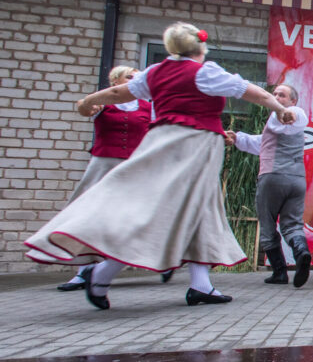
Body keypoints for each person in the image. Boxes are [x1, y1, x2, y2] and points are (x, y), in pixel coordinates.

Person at [26, 22, 296, 309]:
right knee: (165, 210)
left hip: (163, 142)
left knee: (199, 208)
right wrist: (280, 109)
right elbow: (249, 91)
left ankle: (200, 285)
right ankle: (102, 274)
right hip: (192, 145)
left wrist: (88, 100)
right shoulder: (204, 72)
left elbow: (120, 93)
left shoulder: (155, 72)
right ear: (200, 48)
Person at [56, 65, 154, 292]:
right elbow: (84, 108)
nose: (134, 80)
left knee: (127, 218)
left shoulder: (148, 108)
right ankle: (83, 271)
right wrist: (87, 105)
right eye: (129, 76)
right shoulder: (104, 103)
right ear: (115, 81)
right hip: (104, 165)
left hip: (133, 169)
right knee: (91, 216)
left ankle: (111, 266)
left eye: (138, 78)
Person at [225, 84, 311, 287]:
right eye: (274, 94)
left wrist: (285, 112)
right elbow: (262, 143)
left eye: (282, 95)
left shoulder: (289, 114)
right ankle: (301, 253)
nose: (276, 97)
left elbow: (297, 116)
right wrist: (238, 138)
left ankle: (280, 272)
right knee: (292, 225)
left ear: (293, 101)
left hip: (272, 177)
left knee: (267, 224)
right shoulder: (278, 121)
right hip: (297, 180)